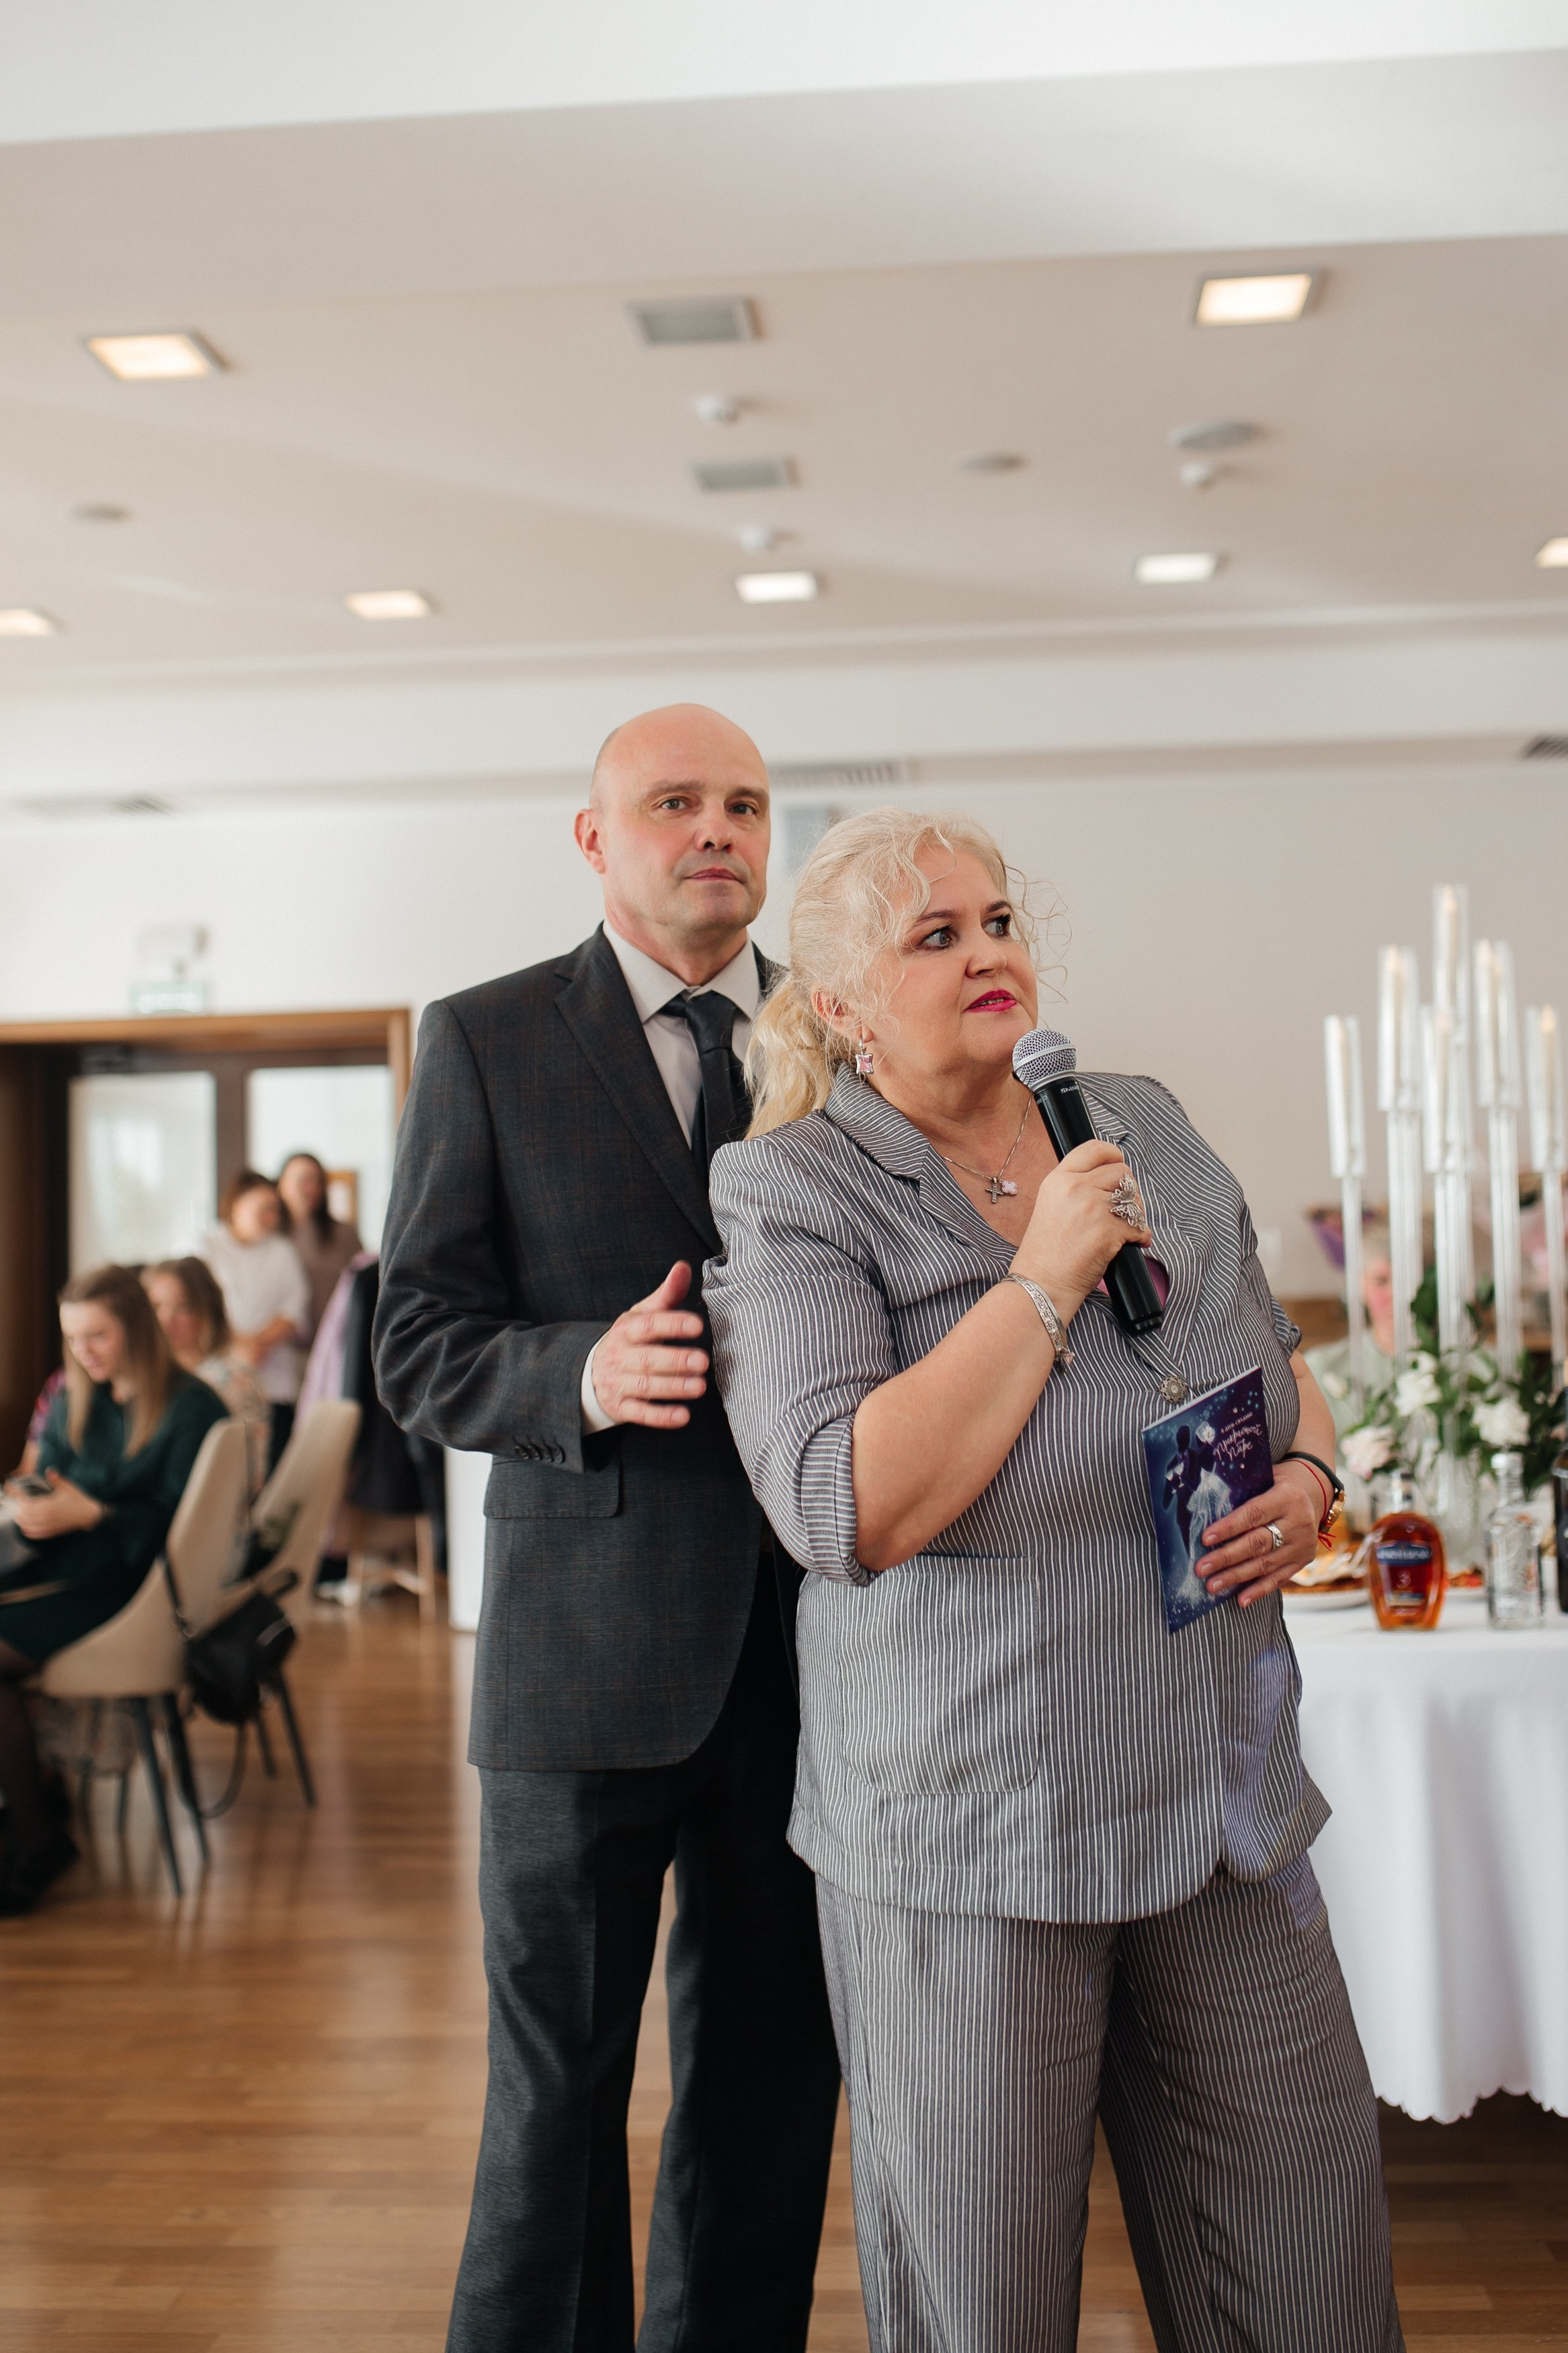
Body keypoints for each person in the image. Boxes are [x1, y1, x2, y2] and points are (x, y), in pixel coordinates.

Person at [702, 808, 1401, 2353]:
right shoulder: (794, 1193)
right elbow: (846, 1504)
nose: (989, 952)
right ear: (843, 1011)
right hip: (971, 1838)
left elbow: (1285, 1371)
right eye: (933, 937)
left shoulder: (1130, 1119)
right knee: (984, 2303)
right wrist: (1040, 1281)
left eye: (999, 920)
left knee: (1305, 2265)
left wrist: (1308, 1484)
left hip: (1219, 1805)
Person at [374, 704, 840, 2353]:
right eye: (673, 803)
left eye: (745, 805)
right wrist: (583, 1368)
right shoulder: (484, 1039)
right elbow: (416, 1346)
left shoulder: (840, 1036)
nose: (716, 829)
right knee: (554, 2099)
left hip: (818, 1665)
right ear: (596, 837)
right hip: (579, 1672)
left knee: (774, 2087)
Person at [0, 1265, 229, 1917]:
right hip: (62, 1566)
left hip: (129, 1593)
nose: (84, 1352)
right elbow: (45, 1478)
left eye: (97, 1335)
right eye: (73, 1338)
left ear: (136, 1325)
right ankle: (33, 1801)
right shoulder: (77, 1398)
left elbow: (186, 1538)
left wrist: (92, 1514)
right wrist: (37, 1505)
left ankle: (37, 1836)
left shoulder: (193, 1409)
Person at [202, 1170, 310, 1471]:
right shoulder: (208, 1247)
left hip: (274, 1380)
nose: (271, 1218)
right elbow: (204, 1308)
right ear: (236, 1206)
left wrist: (257, 1347)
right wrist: (240, 1346)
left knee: (272, 1469)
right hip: (222, 1377)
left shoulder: (283, 1251)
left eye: (275, 1210)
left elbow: (294, 1310)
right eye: (263, 1209)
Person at [145, 1257, 272, 1500]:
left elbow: (243, 1481)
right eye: (156, 1307)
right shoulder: (149, 1379)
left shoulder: (230, 1380)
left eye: (184, 1308)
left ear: (208, 1311)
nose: (166, 1319)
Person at [277, 1152, 363, 1341]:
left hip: (337, 1342)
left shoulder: (344, 1235)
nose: (311, 1188)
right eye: (303, 1180)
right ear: (281, 1185)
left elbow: (363, 1286)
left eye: (317, 1181)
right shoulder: (271, 1238)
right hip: (282, 1349)